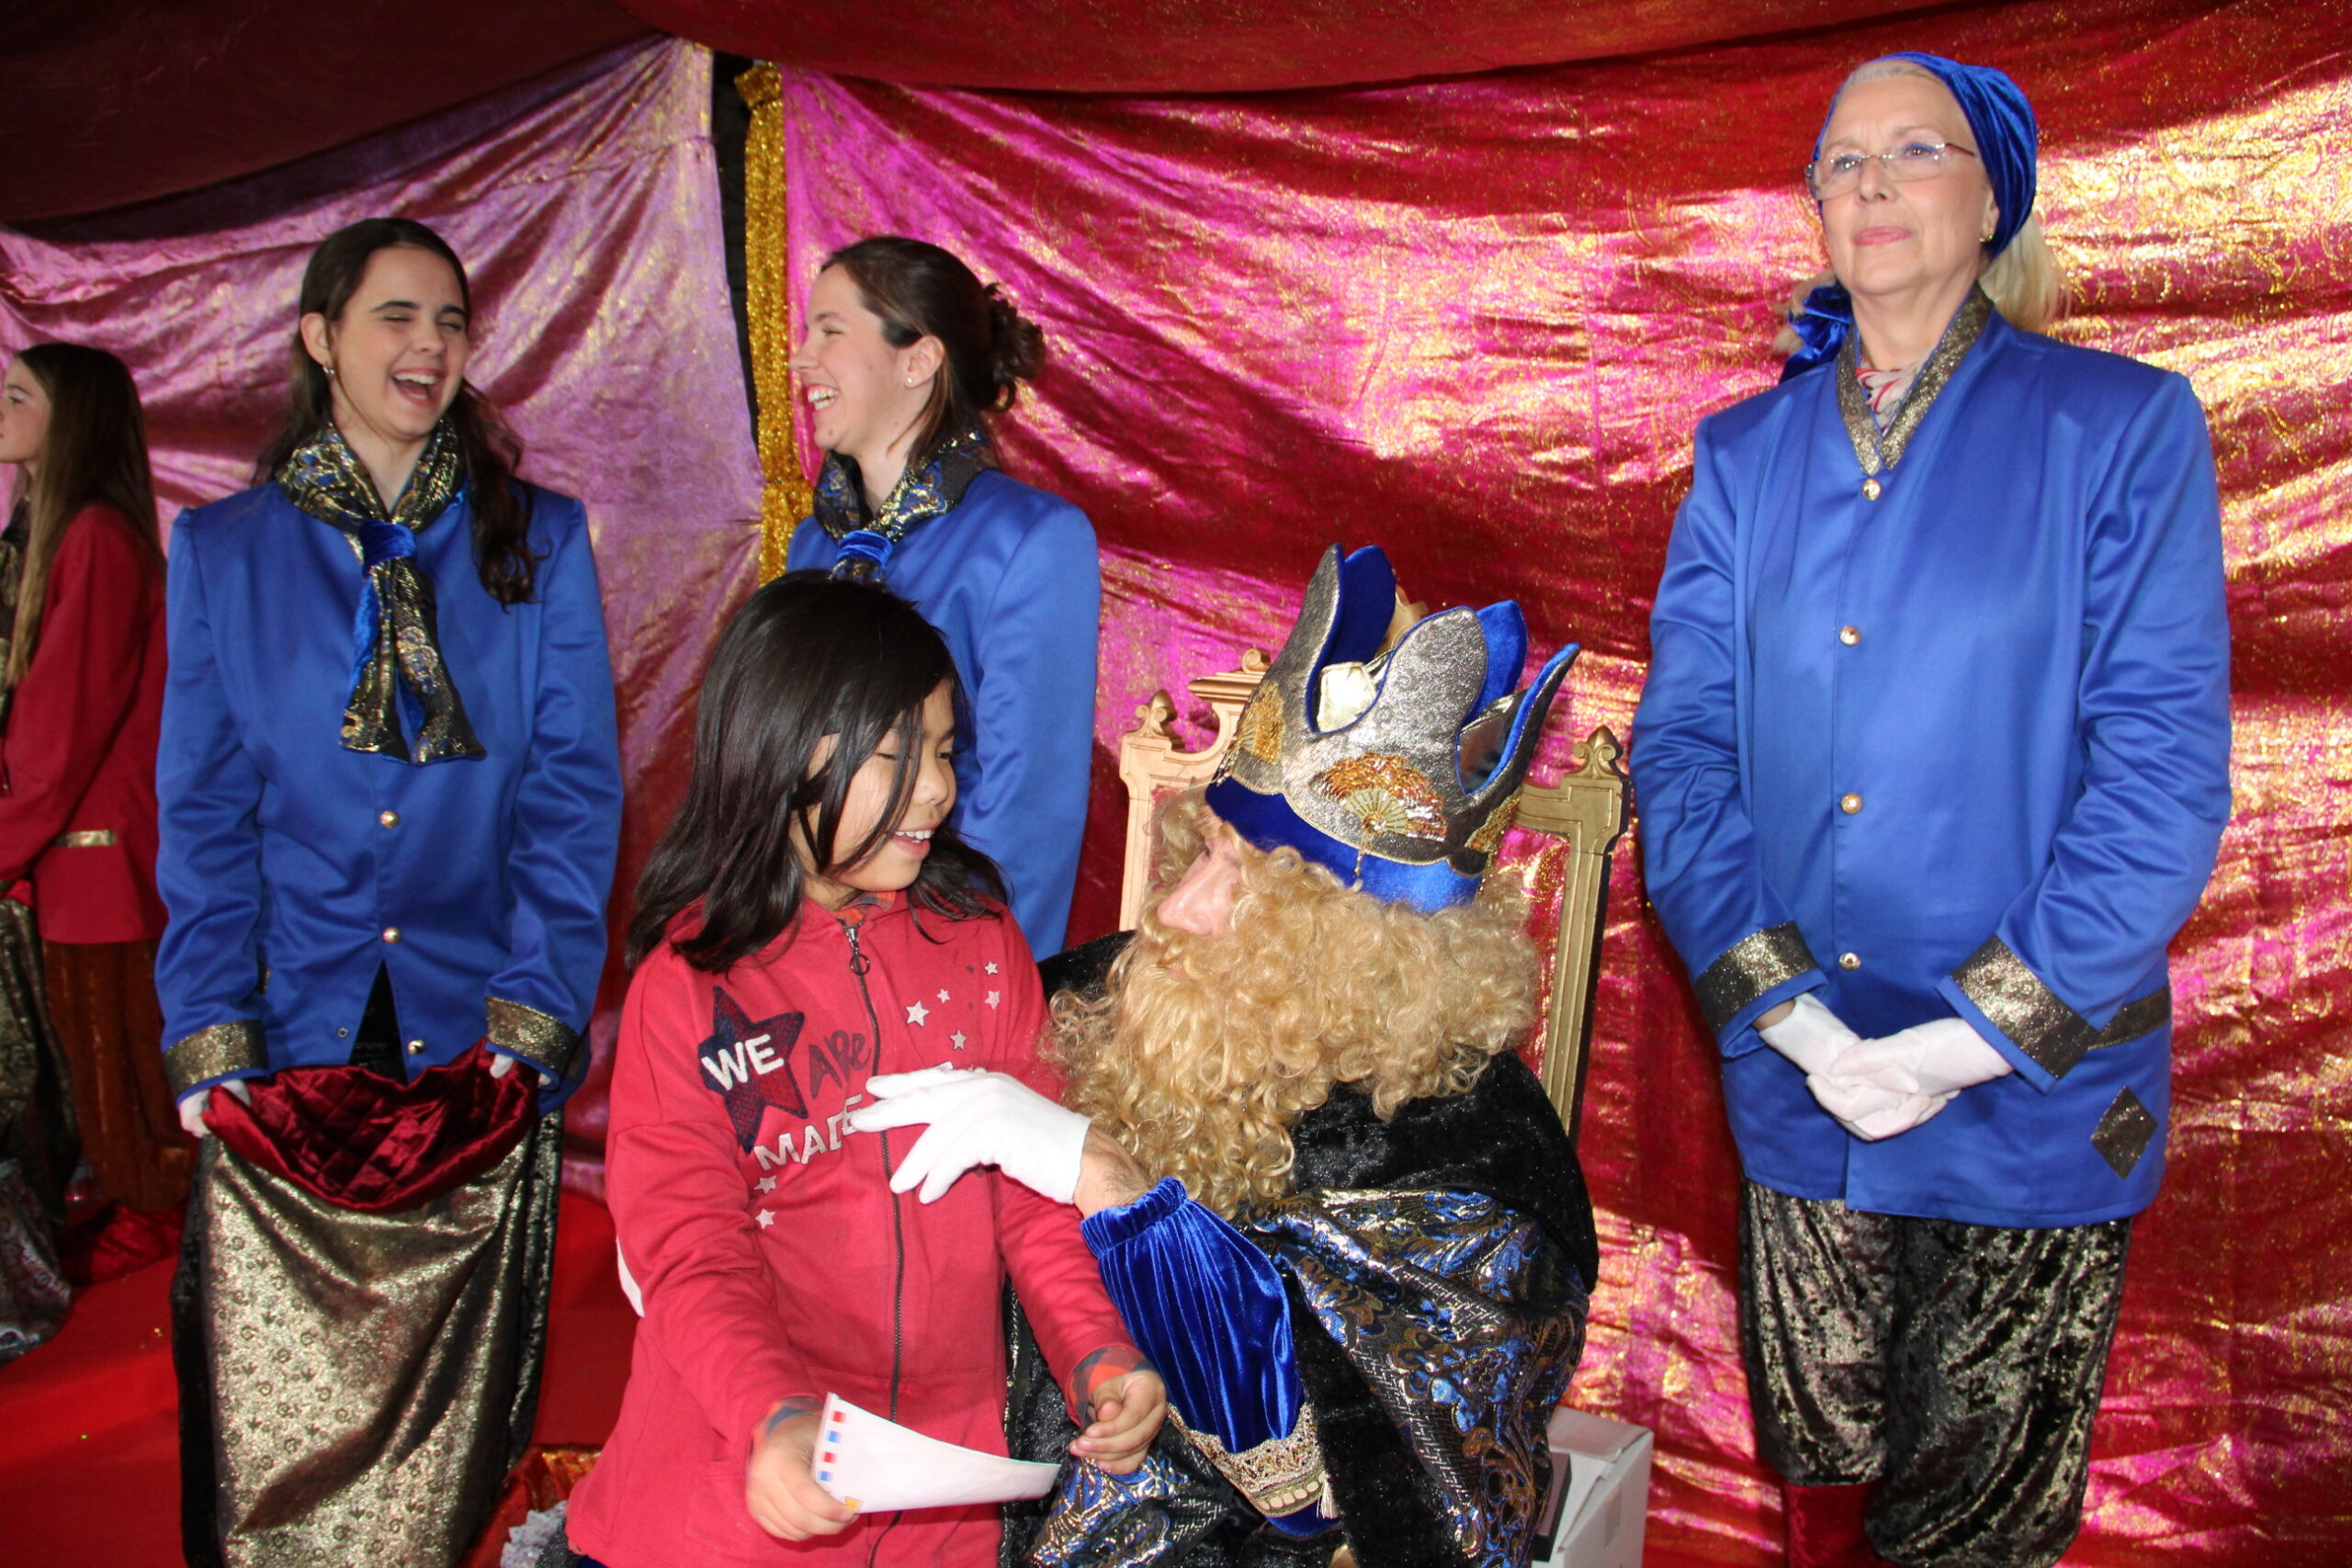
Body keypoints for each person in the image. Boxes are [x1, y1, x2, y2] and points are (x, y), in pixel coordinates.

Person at [1631, 53, 2229, 1568]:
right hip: (1804, 1071)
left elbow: (2160, 778)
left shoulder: (2119, 428)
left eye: (1916, 150)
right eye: (1842, 160)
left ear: (1992, 198)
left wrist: (1960, 1040)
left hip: (2027, 1091)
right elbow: (1682, 754)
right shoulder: (1745, 456)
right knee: (1830, 1480)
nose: (1873, 183)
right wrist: (1800, 1023)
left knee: (1974, 1520)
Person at [854, 545, 1600, 1568]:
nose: (1171, 910)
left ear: (1353, 955)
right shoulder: (1107, 984)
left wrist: (1107, 1183)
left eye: (1239, 887)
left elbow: (1333, 1494)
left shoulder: (1477, 1170)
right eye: (1202, 852)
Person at [154, 218, 623, 1567]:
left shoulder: (538, 538)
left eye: (451, 321)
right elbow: (205, 811)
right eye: (395, 317)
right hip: (291, 1027)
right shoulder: (225, 551)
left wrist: (534, 1017)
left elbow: (572, 796)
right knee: (277, 1414)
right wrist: (210, 1033)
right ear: (320, 337)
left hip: (475, 1032)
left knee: (450, 1422)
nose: (429, 346)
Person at [563, 572, 1161, 1568]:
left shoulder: (979, 942)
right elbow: (690, 1246)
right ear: (778, 753)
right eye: (894, 757)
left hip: (941, 1508)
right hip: (736, 1499)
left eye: (944, 751)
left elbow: (1033, 1202)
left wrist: (1097, 1350)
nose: (937, 789)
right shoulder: (695, 981)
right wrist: (778, 1413)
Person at [783, 236, 1099, 955]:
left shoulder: (1035, 538)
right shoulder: (814, 545)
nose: (802, 358)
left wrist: (962, 973)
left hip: (945, 955)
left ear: (918, 360)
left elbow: (1027, 808)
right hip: (812, 945)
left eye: (830, 331)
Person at [0, 343, 175, 1344]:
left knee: (120, 1060)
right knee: (95, 1054)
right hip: (72, 859)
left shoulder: (97, 540)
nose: (1, 408)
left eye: (19, 395)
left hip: (99, 858)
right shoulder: (61, 533)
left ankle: (157, 1209)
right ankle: (128, 1194)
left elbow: (58, 733)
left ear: (72, 420)